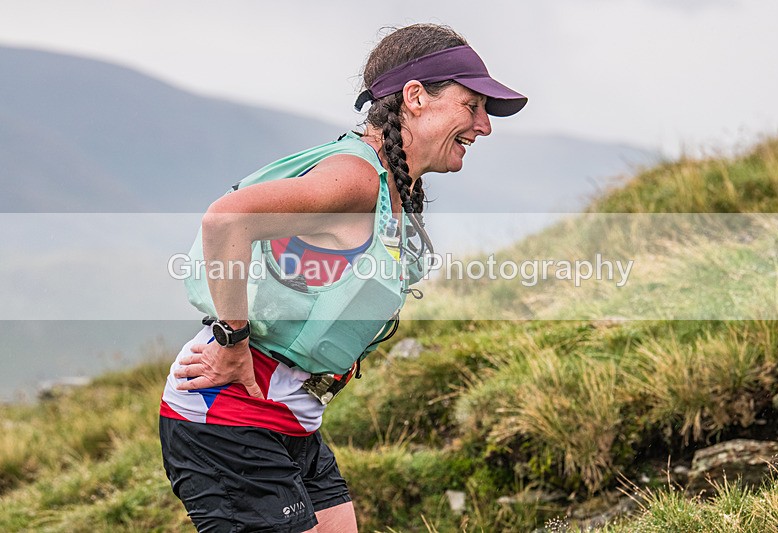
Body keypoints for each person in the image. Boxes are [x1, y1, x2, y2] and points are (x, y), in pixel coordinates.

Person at [159, 23, 526, 532]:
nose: (484, 126)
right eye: (473, 106)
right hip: (228, 416)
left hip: (290, 415)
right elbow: (227, 220)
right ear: (416, 97)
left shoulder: (393, 183)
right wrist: (231, 339)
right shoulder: (354, 177)